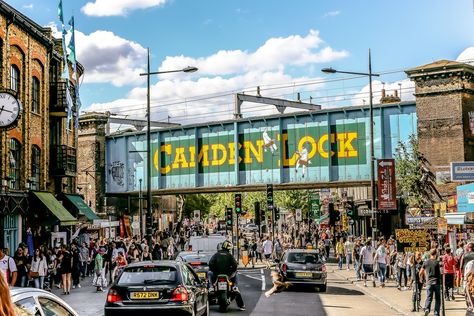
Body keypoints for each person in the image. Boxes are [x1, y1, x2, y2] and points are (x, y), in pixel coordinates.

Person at [208, 241, 245, 311]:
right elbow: (235, 265)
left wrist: (215, 270)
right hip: (228, 275)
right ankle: (235, 287)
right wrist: (231, 270)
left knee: (209, 273)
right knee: (236, 273)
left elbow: (210, 263)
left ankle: (210, 287)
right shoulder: (229, 255)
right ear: (228, 248)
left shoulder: (216, 254)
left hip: (217, 274)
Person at [419, 248, 441, 316]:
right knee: (437, 299)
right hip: (437, 282)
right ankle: (436, 313)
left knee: (429, 297)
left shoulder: (426, 262)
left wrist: (421, 278)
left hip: (429, 283)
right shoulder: (438, 263)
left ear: (429, 254)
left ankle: (427, 309)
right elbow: (441, 272)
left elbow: (421, 272)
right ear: (436, 254)